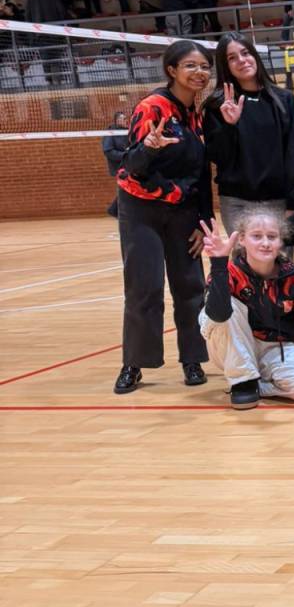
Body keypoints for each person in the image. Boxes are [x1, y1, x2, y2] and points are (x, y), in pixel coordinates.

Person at [113, 39, 213, 395]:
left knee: (190, 286)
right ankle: (134, 364)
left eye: (205, 66)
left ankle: (193, 359)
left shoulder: (197, 115)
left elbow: (201, 174)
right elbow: (132, 166)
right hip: (142, 209)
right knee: (145, 287)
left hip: (183, 211)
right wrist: (148, 147)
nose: (199, 72)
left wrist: (204, 222)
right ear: (172, 70)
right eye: (191, 65)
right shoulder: (152, 107)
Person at [198, 207, 294, 408]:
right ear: (242, 239)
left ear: (280, 241)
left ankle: (256, 384)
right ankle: (242, 382)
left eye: (272, 237)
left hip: (275, 346)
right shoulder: (227, 273)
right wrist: (219, 263)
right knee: (226, 306)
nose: (265, 243)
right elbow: (218, 315)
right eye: (256, 236)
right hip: (231, 342)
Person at [204, 33, 294, 233]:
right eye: (232, 58)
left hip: (279, 201)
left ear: (254, 55)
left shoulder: (284, 99)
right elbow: (218, 157)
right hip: (237, 202)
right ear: (225, 66)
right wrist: (229, 126)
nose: (242, 60)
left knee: (280, 254)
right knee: (242, 254)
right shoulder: (217, 105)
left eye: (245, 53)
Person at [101, 108, 129, 217]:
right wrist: (124, 155)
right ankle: (115, 210)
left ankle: (116, 210)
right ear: (117, 120)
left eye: (126, 118)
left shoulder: (128, 131)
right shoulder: (110, 133)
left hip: (129, 165)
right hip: (118, 167)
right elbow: (108, 151)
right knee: (126, 189)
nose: (126, 120)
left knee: (128, 189)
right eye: (124, 119)